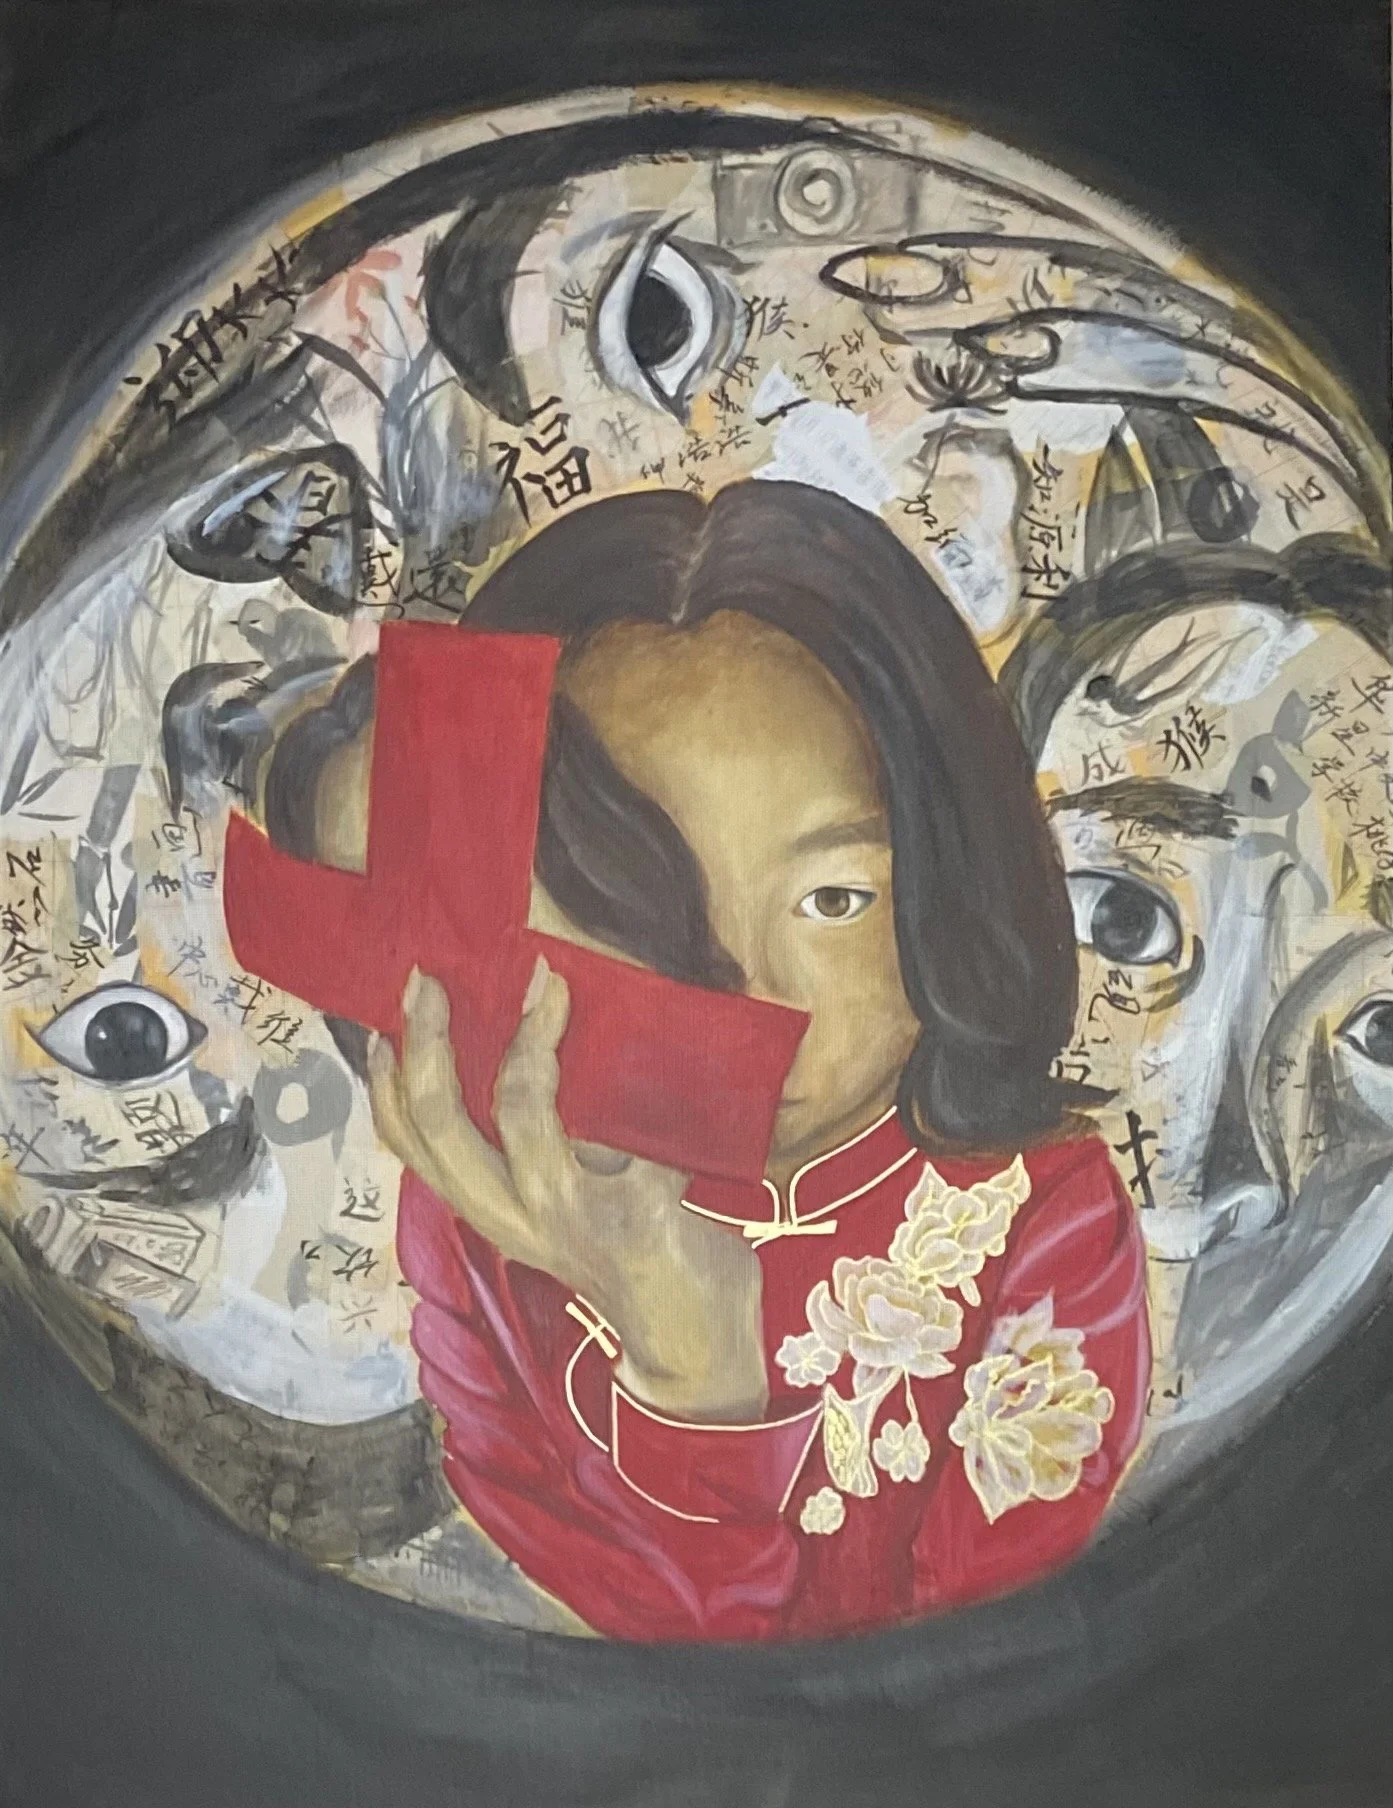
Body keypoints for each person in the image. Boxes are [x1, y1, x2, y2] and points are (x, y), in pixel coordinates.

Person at [254, 478, 1154, 1640]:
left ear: (948, 877)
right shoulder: (485, 1217)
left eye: (834, 899)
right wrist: (680, 1374)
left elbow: (943, 1670)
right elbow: (598, 1638)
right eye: (640, 909)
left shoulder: (1046, 1220)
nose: (754, 1000)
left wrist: (701, 1381)